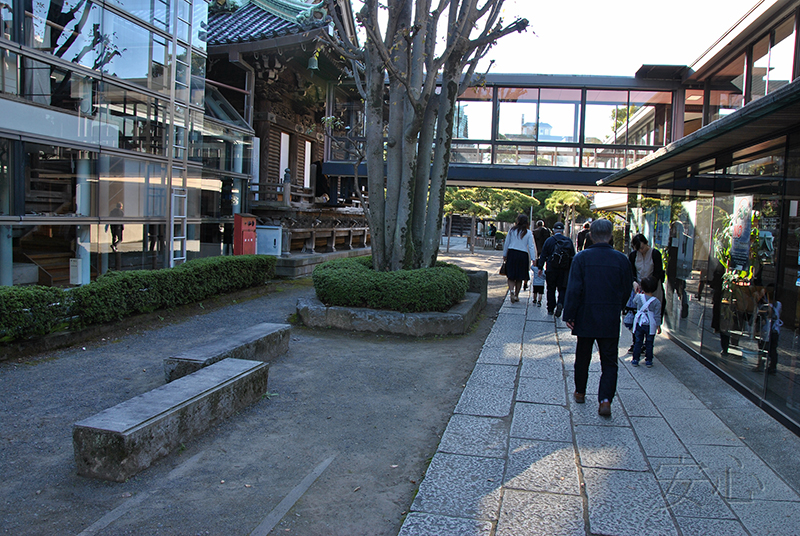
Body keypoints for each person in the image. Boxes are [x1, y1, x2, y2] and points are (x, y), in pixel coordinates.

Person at [563, 219, 633, 417]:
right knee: (609, 360)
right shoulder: (621, 260)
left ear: (591, 235)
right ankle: (605, 400)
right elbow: (626, 289)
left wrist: (570, 313)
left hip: (586, 314)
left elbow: (574, 289)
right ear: (610, 236)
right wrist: (617, 307)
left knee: (583, 355)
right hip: (609, 315)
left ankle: (580, 391)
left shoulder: (582, 258)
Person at [627, 234, 665, 352]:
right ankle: (636, 342)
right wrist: (634, 282)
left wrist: (649, 285)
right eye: (639, 249)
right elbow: (631, 272)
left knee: (651, 314)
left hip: (653, 288)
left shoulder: (655, 254)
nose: (641, 251)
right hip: (638, 289)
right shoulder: (633, 255)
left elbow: (658, 272)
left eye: (643, 248)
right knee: (637, 315)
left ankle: (647, 342)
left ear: (646, 243)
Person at [537, 221, 575, 317]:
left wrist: (540, 267)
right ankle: (560, 303)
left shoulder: (549, 241)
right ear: (562, 230)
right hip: (564, 269)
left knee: (551, 288)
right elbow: (573, 256)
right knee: (562, 288)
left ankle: (550, 308)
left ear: (553, 230)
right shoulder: (568, 241)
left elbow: (543, 255)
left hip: (551, 268)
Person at [502, 214, 537, 303]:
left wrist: (504, 254)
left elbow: (507, 243)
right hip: (523, 254)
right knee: (520, 276)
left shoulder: (512, 230)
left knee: (510, 275)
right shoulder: (528, 232)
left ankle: (511, 291)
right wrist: (533, 258)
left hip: (512, 253)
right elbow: (531, 246)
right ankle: (517, 295)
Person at [630, 276, 662, 368]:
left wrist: (637, 293)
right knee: (649, 342)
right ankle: (648, 360)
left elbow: (634, 302)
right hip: (650, 324)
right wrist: (658, 326)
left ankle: (635, 359)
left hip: (639, 322)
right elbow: (657, 315)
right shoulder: (656, 301)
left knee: (638, 341)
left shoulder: (639, 297)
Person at [753, 284, 782, 374]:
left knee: (763, 348)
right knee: (773, 349)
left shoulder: (766, 305)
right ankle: (772, 366)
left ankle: (761, 365)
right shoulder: (778, 304)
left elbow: (764, 317)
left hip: (767, 330)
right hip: (775, 330)